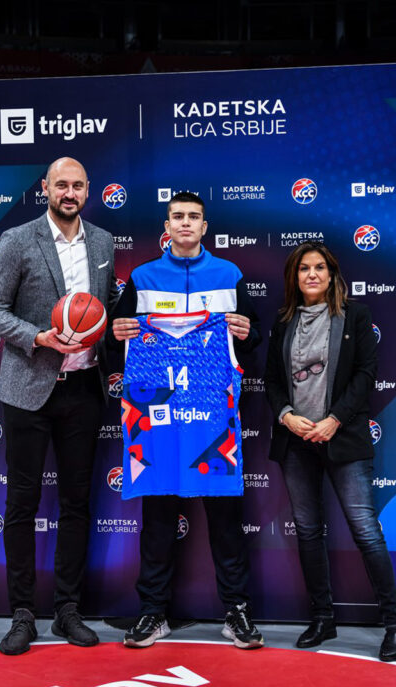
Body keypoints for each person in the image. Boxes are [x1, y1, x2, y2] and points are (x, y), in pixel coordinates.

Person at [0, 156, 120, 655]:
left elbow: (104, 309)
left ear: (88, 190)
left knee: (77, 503)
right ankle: (22, 613)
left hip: (83, 390)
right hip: (29, 391)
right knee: (22, 504)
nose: (69, 193)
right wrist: (38, 336)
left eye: (78, 185)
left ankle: (67, 610)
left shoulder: (103, 242)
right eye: (61, 185)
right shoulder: (18, 240)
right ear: (46, 188)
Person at [110, 191, 263, 649]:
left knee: (225, 518)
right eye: (177, 216)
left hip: (211, 418)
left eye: (193, 217)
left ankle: (236, 611)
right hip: (158, 419)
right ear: (167, 225)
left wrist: (247, 332)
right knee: (158, 517)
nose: (185, 223)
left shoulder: (229, 275)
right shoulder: (142, 278)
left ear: (204, 226)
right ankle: (152, 612)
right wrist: (116, 331)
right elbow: (116, 336)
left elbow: (253, 337)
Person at [262, 241, 396, 662]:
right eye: (304, 268)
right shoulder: (284, 320)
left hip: (342, 438)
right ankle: (322, 619)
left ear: (332, 274)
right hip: (296, 441)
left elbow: (366, 373)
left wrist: (334, 419)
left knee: (365, 531)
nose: (312, 274)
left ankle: (394, 626)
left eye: (319, 267)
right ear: (294, 277)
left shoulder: (355, 315)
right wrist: (286, 415)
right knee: (308, 531)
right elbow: (272, 380)